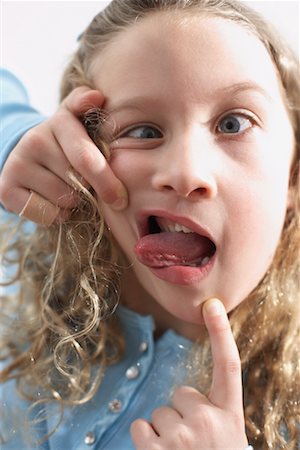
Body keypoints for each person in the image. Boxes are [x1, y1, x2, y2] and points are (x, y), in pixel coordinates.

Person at [0, 0, 299, 448]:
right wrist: (17, 140)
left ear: (294, 174)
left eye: (234, 123)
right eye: (141, 132)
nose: (185, 173)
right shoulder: (34, 238)